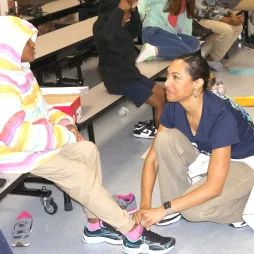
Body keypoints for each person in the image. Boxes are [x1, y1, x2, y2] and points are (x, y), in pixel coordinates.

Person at [0, 16, 176, 253]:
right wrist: (65, 136)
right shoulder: (4, 84)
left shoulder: (21, 72)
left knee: (89, 150)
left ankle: (94, 226)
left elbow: (42, 107)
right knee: (78, 174)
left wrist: (64, 121)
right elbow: (16, 137)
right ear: (10, 47)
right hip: (14, 152)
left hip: (38, 142)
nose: (34, 44)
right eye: (27, 41)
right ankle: (133, 232)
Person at [134, 54, 254, 230]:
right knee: (164, 140)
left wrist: (162, 210)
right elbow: (153, 158)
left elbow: (214, 187)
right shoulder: (174, 106)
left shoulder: (221, 116)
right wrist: (145, 205)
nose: (166, 83)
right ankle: (175, 207)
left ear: (197, 83)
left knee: (193, 211)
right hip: (212, 154)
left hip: (245, 163)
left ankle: (244, 207)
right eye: (168, 76)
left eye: (176, 77)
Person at [93, 0, 166, 139]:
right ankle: (162, 138)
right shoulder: (101, 28)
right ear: (113, 13)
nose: (128, 15)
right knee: (159, 103)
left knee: (163, 94)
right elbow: (109, 36)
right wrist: (120, 9)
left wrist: (133, 10)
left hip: (131, 75)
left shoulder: (119, 27)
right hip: (119, 81)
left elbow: (136, 30)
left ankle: (160, 126)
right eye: (125, 12)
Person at [136, 0, 200, 63]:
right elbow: (143, 1)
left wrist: (182, 43)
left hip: (169, 35)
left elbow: (187, 31)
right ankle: (154, 51)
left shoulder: (187, 3)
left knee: (195, 42)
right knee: (186, 51)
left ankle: (161, 50)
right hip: (153, 32)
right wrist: (140, 16)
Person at [195, 0, 244, 71]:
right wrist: (227, 20)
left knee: (238, 27)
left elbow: (217, 6)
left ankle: (214, 58)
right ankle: (213, 60)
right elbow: (202, 10)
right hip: (199, 19)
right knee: (226, 30)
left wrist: (231, 15)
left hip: (211, 16)